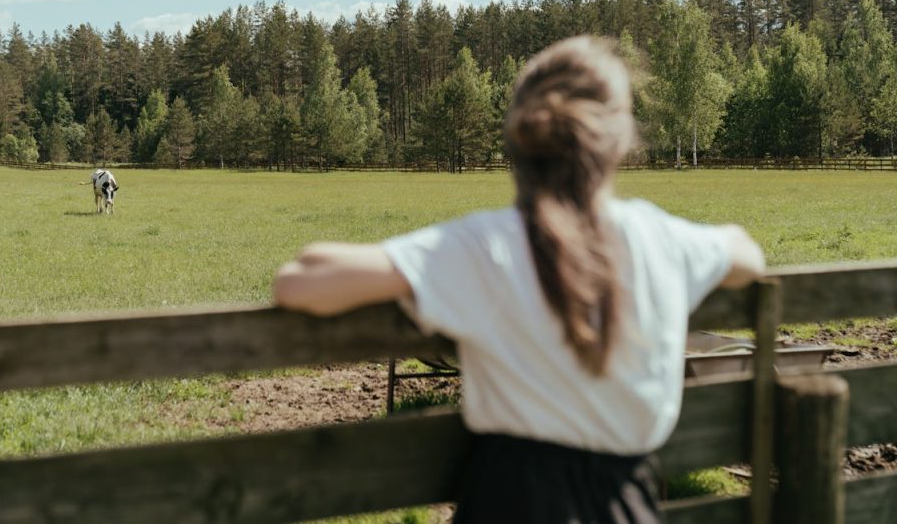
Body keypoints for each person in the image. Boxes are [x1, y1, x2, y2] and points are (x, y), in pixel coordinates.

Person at [273, 35, 765, 523]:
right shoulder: (662, 240)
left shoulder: (486, 247)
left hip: (511, 503)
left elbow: (300, 282)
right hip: (628, 506)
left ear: (519, 135)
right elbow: (747, 254)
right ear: (619, 140)